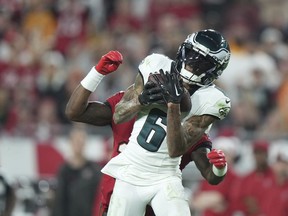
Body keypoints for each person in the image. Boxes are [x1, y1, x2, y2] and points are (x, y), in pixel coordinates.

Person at [65, 30, 230, 216]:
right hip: (120, 186)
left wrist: (220, 168)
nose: (191, 64)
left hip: (162, 193)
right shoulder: (135, 96)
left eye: (201, 63)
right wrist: (98, 73)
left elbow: (210, 174)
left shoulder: (196, 119)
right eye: (191, 56)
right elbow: (75, 112)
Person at [51, 126, 102, 216]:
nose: (78, 144)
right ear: (70, 142)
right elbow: (59, 201)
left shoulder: (94, 170)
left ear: (85, 143)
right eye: (76, 141)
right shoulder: (64, 170)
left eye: (81, 141)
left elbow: (99, 199)